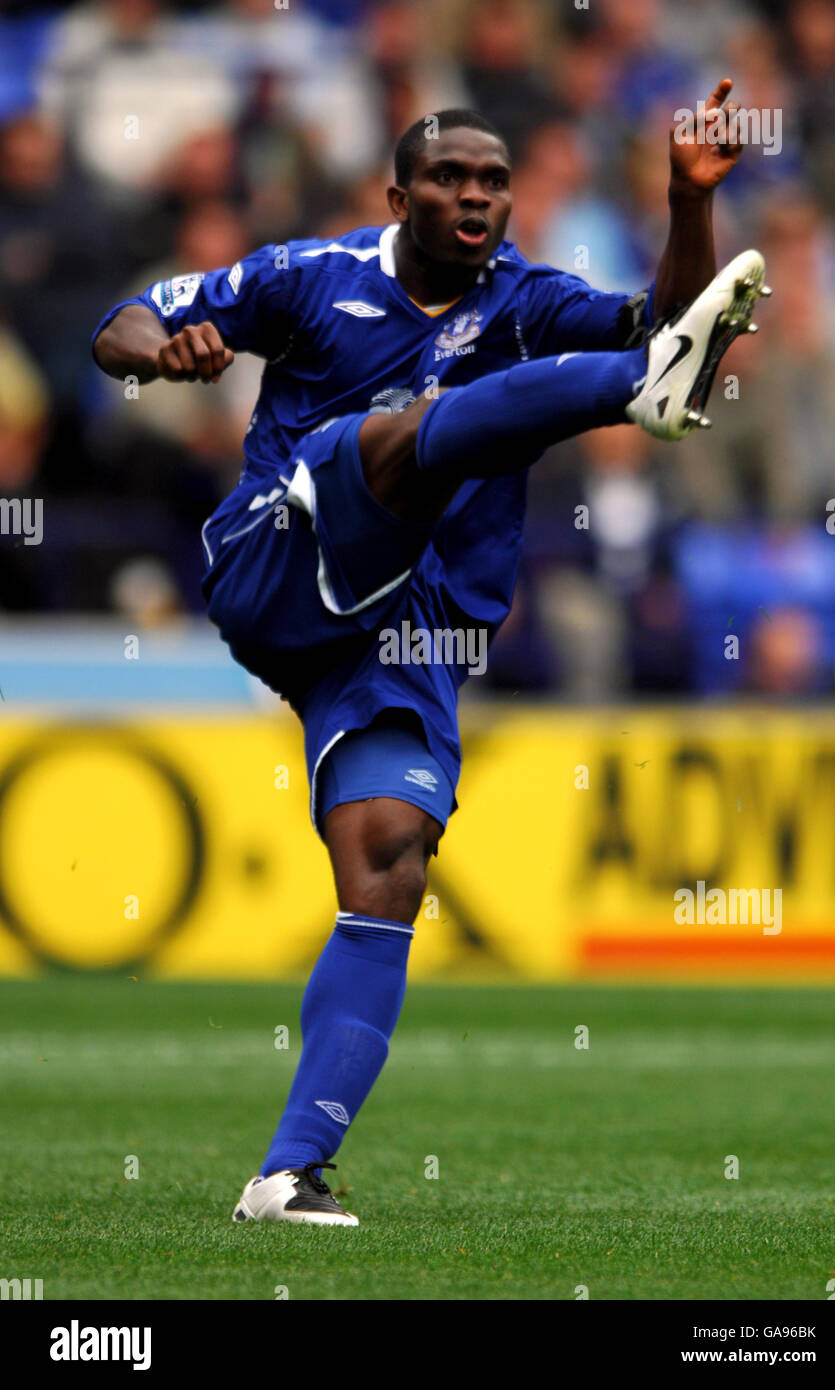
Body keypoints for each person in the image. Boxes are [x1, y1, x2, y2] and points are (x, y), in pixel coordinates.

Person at [92, 91, 767, 1227]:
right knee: (401, 435)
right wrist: (168, 351)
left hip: (406, 632)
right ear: (398, 197)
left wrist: (684, 199)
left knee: (388, 867)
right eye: (451, 178)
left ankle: (287, 1172)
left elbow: (667, 319)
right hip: (279, 557)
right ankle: (625, 405)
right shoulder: (310, 274)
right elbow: (122, 319)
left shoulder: (526, 295)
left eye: (493, 181)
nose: (476, 197)